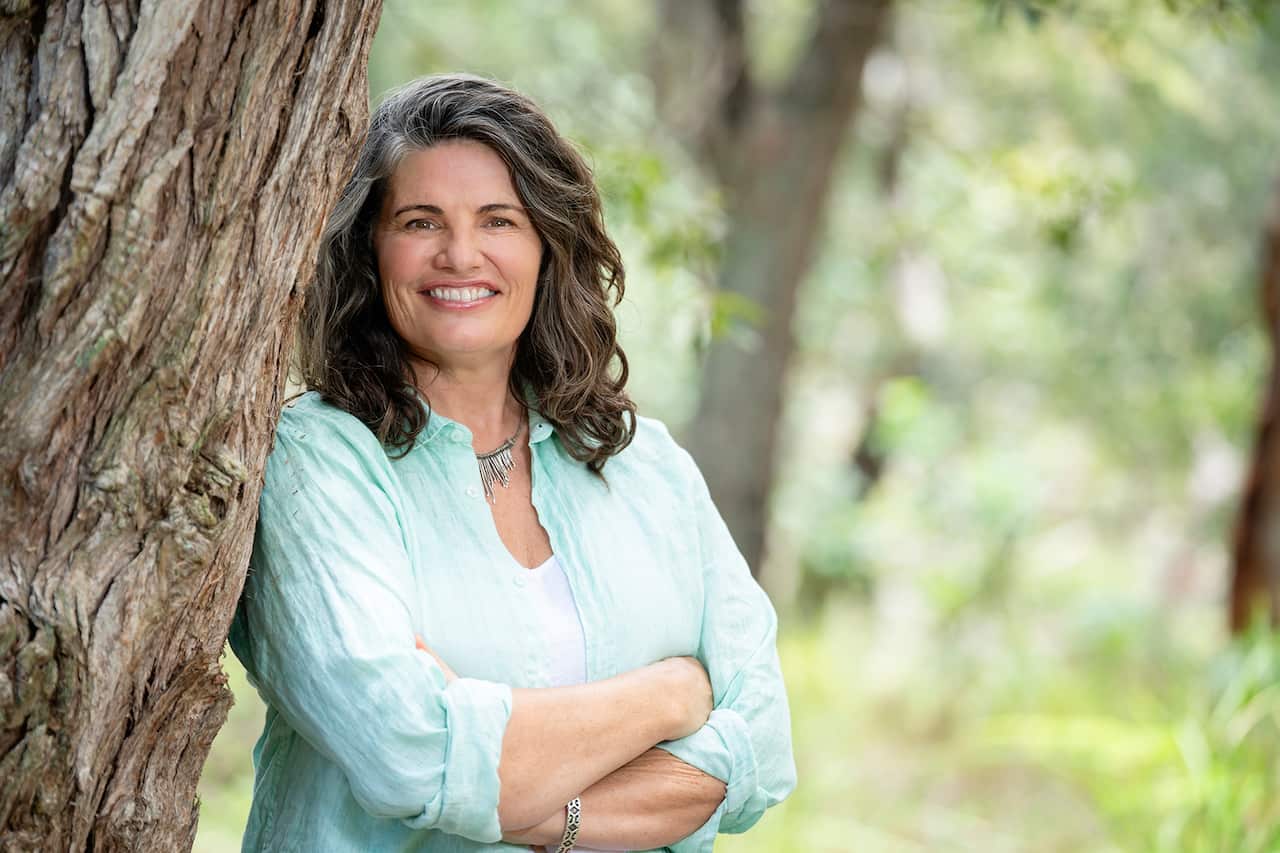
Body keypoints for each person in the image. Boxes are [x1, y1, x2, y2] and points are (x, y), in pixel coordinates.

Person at [227, 73, 796, 853]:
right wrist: (671, 695)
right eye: (421, 221)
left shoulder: (646, 465)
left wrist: (519, 795)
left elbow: (759, 745)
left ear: (546, 246)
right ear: (369, 249)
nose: (461, 255)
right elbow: (408, 752)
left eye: (498, 220)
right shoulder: (316, 461)